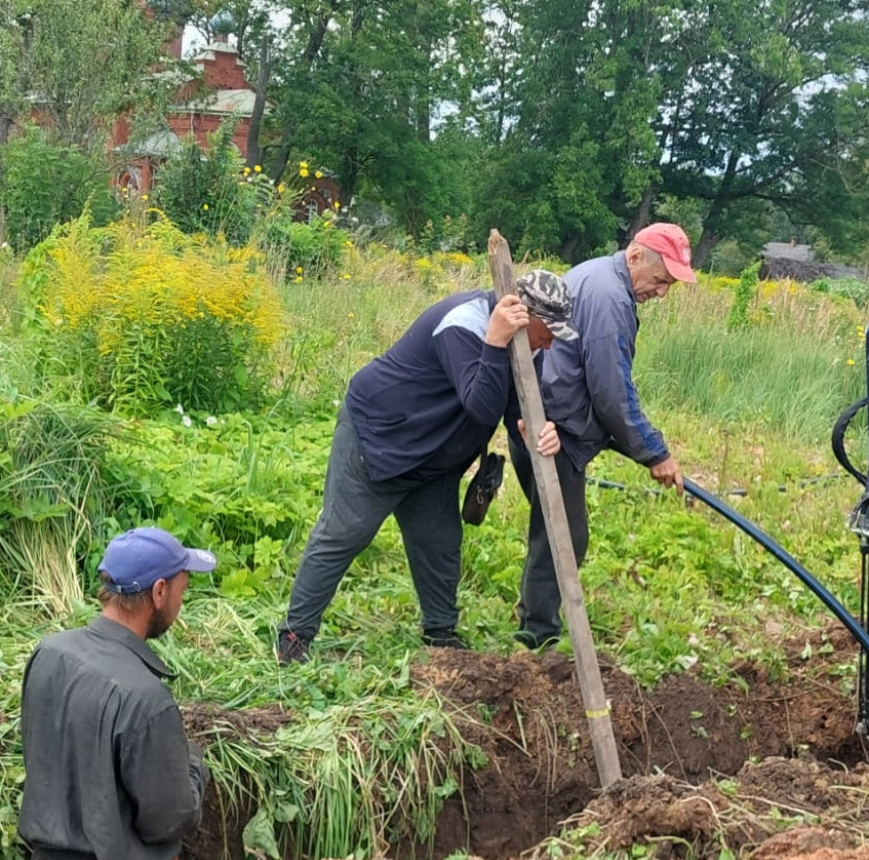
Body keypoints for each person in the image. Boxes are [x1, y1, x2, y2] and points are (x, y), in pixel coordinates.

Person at [275, 270, 577, 664]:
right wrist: (495, 343)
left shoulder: (527, 347)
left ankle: (440, 636)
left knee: (439, 543)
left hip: (435, 457)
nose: (551, 342)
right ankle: (294, 638)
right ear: (522, 315)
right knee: (344, 533)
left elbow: (517, 412)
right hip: (381, 438)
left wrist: (538, 434)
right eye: (548, 330)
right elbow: (481, 404)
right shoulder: (464, 326)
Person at [511, 222, 694, 649]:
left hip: (545, 418)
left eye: (669, 285)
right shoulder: (611, 299)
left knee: (553, 531)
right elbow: (611, 391)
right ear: (635, 256)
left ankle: (537, 625)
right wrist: (654, 452)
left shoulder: (597, 276)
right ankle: (537, 636)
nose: (662, 292)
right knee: (562, 538)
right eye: (659, 280)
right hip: (552, 432)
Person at [19, 527, 217, 860]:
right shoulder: (146, 699)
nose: (181, 603)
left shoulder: (48, 653)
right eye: (182, 590)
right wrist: (193, 766)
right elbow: (168, 820)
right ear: (159, 592)